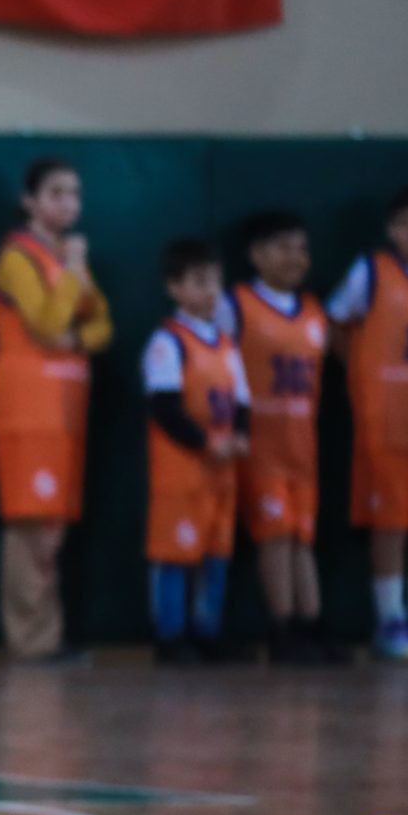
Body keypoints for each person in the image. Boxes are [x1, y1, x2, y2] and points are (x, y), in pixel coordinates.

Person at [0, 158, 112, 662]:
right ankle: (30, 639)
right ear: (30, 201)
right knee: (30, 520)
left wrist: (76, 337)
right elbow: (44, 321)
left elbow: (102, 325)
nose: (69, 204)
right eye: (56, 193)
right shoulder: (18, 256)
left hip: (67, 402)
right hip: (26, 402)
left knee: (55, 525)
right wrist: (75, 276)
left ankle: (49, 636)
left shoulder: (66, 256)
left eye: (74, 194)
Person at [217, 211, 337, 663]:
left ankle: (312, 624)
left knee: (303, 536)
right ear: (257, 254)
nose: (296, 257)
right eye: (284, 247)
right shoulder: (237, 304)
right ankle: (281, 627)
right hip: (258, 443)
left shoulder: (313, 312)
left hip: (302, 444)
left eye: (302, 247)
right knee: (275, 535)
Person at [325, 185, 408, 662]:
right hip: (387, 422)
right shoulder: (372, 272)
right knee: (391, 523)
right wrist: (361, 371)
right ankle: (390, 618)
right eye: (407, 223)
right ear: (391, 231)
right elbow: (334, 323)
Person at [143, 240, 251, 664]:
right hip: (183, 473)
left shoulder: (226, 343)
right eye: (198, 282)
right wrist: (208, 444)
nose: (210, 291)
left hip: (223, 473)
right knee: (174, 555)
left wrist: (240, 436)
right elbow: (164, 408)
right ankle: (170, 638)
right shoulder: (168, 342)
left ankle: (208, 633)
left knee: (216, 555)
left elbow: (241, 401)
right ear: (174, 288)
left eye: (215, 281)